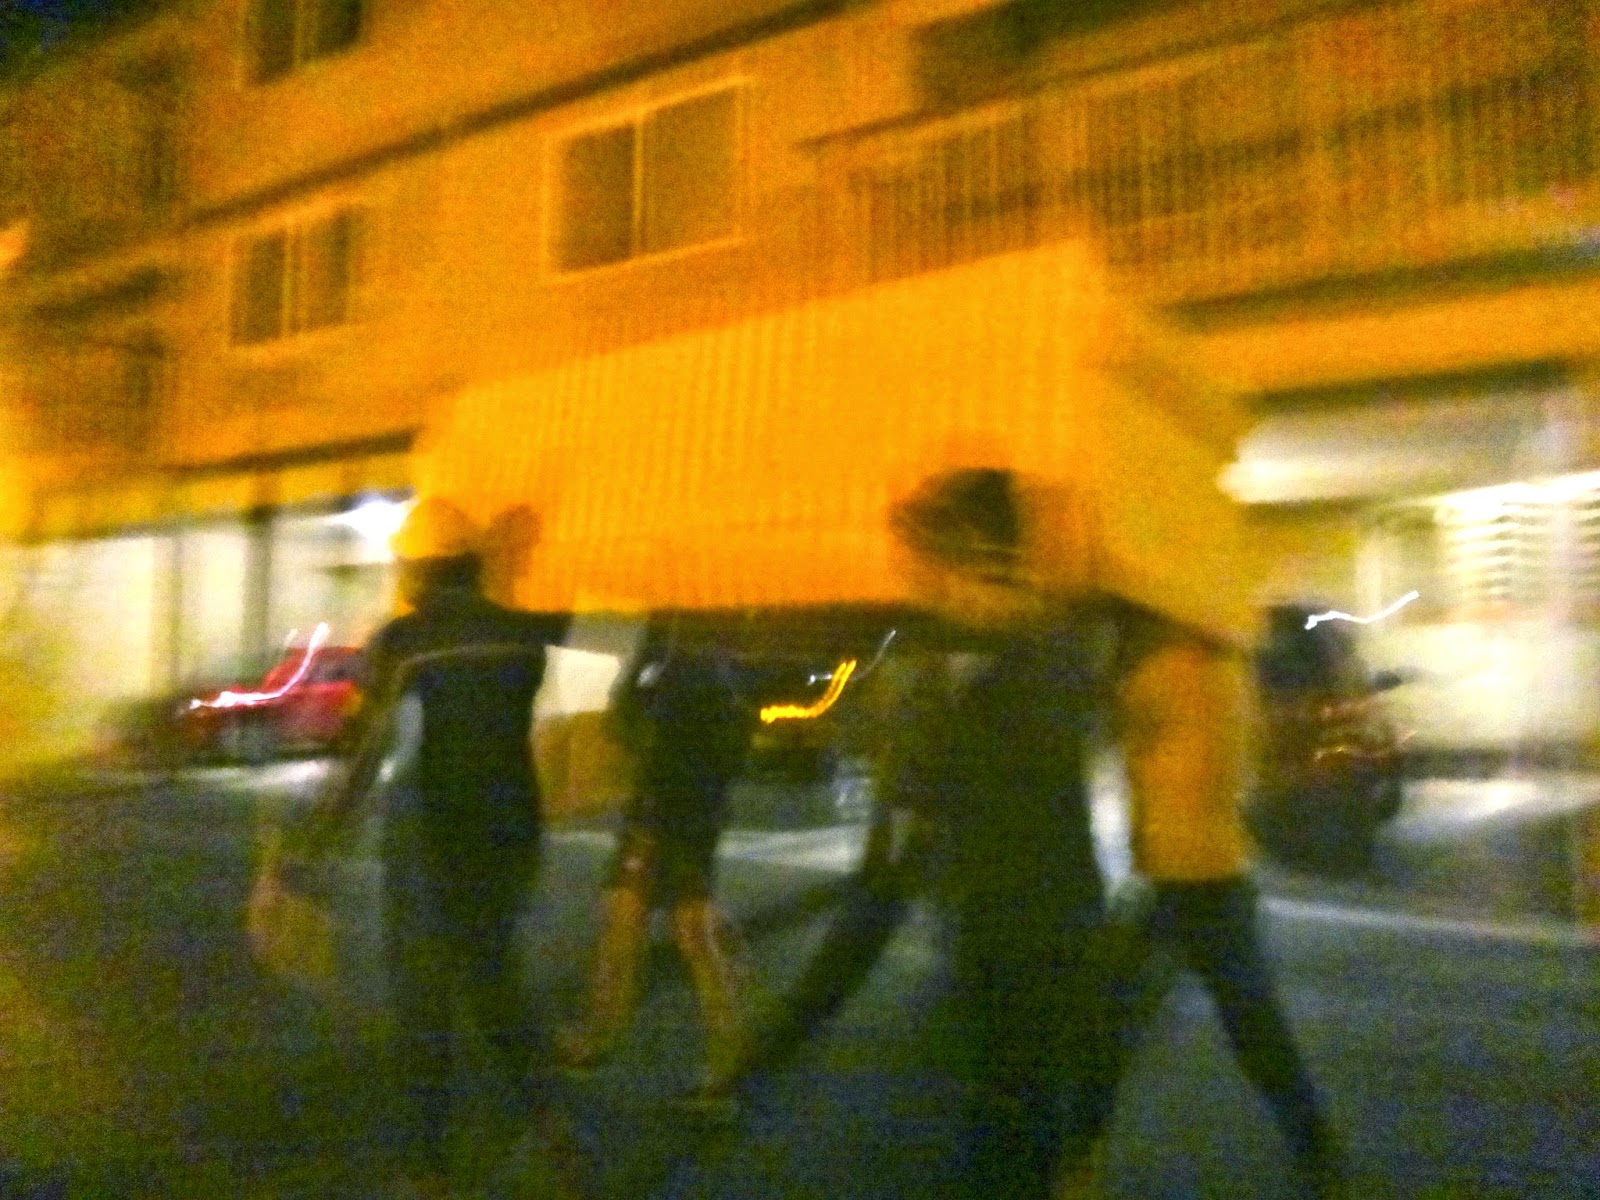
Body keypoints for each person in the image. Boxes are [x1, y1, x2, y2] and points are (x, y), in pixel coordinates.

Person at [717, 467, 1122, 1200]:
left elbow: (989, 829)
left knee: (1013, 1135)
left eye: (919, 557)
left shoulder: (1040, 656)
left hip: (1034, 950)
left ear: (964, 552)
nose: (908, 577)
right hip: (990, 946)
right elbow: (906, 853)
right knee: (998, 1129)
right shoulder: (967, 658)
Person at [302, 496, 576, 1199]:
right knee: (492, 976)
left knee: (422, 1000)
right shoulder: (524, 632)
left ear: (419, 568)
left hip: (432, 830)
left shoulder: (404, 641)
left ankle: (428, 1172)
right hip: (511, 824)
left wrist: (315, 843)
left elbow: (362, 751)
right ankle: (552, 1130)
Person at [1112, 608, 1347, 1199]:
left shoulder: (1157, 671)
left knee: (1109, 1021)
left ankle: (1072, 1160)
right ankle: (1317, 1150)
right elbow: (1246, 759)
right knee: (1255, 1026)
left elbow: (1131, 740)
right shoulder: (1231, 668)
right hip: (1220, 869)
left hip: (1176, 875)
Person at [557, 612, 755, 1094]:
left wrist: (636, 684)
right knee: (650, 921)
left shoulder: (680, 661)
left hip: (663, 815)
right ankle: (720, 1056)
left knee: (655, 924)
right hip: (693, 815)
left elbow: (630, 723)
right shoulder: (724, 666)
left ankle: (607, 1038)